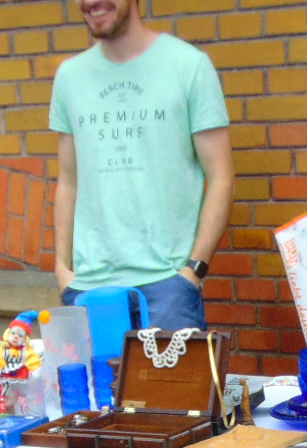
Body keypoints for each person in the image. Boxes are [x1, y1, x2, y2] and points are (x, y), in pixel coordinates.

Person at [49, 0, 235, 334]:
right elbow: (68, 180)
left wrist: (193, 271)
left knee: (171, 389)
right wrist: (63, 270)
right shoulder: (69, 77)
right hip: (89, 289)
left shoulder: (188, 66)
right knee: (94, 388)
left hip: (168, 289)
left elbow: (221, 176)